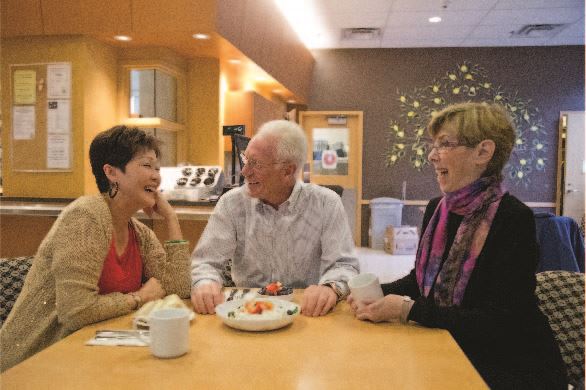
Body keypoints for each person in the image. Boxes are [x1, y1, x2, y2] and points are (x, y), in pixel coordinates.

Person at [348, 103, 566, 389]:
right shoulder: (437, 209)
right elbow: (420, 281)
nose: (432, 155)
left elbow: (500, 322)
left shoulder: (513, 218)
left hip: (512, 366)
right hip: (451, 345)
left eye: (445, 144)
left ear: (483, 153)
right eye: (433, 145)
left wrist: (406, 310)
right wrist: (377, 295)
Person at [0, 126, 191, 372]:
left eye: (157, 168)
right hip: (37, 363)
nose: (156, 176)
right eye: (146, 166)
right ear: (111, 172)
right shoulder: (85, 217)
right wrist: (139, 298)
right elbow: (76, 311)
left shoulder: (139, 232)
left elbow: (179, 287)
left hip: (93, 355)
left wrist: (172, 220)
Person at [191, 120, 359, 316]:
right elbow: (206, 262)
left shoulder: (326, 203)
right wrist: (205, 283)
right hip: (248, 312)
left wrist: (330, 288)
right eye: (246, 160)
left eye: (256, 164)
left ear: (287, 171)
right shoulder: (231, 203)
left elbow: (344, 265)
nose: (245, 172)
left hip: (307, 311)